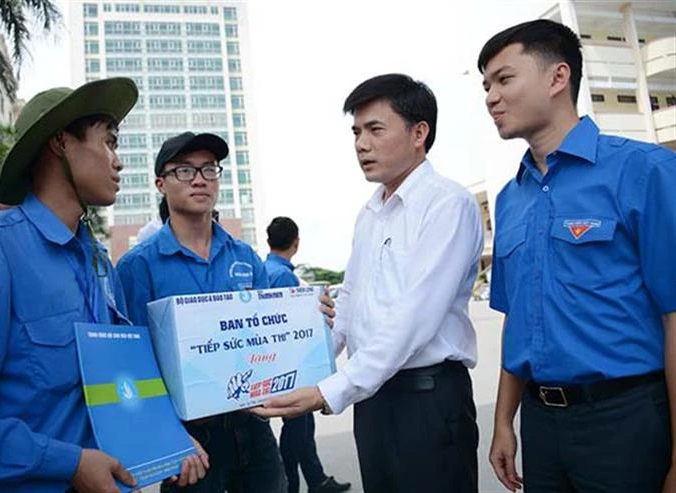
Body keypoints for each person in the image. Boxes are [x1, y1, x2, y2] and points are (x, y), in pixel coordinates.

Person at [0, 78, 206, 492]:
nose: (118, 162)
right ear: (60, 142)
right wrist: (69, 462)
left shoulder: (98, 262)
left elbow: (119, 381)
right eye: (109, 143)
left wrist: (167, 438)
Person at [254, 74, 484, 493]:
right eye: (356, 132)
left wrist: (329, 391)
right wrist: (304, 367)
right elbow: (351, 304)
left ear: (419, 133)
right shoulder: (370, 214)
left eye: (375, 129)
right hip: (373, 399)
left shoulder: (448, 205)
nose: (361, 144)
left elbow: (413, 317)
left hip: (427, 400)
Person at [478, 19, 676, 493]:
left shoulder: (643, 170)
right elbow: (517, 316)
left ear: (557, 77)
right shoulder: (511, 198)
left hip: (624, 421)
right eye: (485, 85)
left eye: (504, 79)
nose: (489, 97)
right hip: (542, 426)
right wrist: (505, 420)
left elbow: (674, 315)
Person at [117, 132, 335, 493]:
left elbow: (278, 331)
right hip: (190, 442)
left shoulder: (244, 256)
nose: (200, 179)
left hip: (254, 428)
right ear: (160, 183)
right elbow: (131, 367)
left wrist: (314, 317)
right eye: (185, 170)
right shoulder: (138, 266)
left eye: (209, 169)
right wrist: (169, 438)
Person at [264, 217, 351, 493]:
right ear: (296, 242)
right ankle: (292, 484)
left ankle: (317, 480)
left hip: (272, 360)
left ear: (268, 241)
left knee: (303, 427)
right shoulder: (285, 277)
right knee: (297, 428)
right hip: (292, 364)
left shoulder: (263, 269)